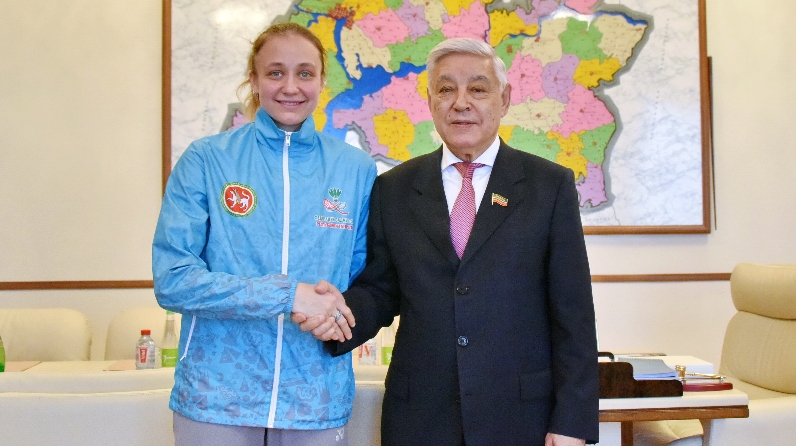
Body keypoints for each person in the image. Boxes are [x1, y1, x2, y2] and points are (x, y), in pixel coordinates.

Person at [296, 38, 599, 445]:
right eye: (446, 89)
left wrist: (571, 423)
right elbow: (382, 290)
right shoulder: (395, 188)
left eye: (478, 89)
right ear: (430, 101)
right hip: (420, 417)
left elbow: (573, 315)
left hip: (519, 417)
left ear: (504, 99)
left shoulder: (549, 186)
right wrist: (336, 316)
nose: (461, 103)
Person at [152, 22, 376, 446]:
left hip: (315, 399)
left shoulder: (355, 169)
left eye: (305, 73)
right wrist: (288, 296)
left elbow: (365, 280)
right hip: (216, 399)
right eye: (275, 72)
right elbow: (173, 280)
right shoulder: (207, 160)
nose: (290, 87)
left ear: (322, 82)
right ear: (253, 80)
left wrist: (339, 312)